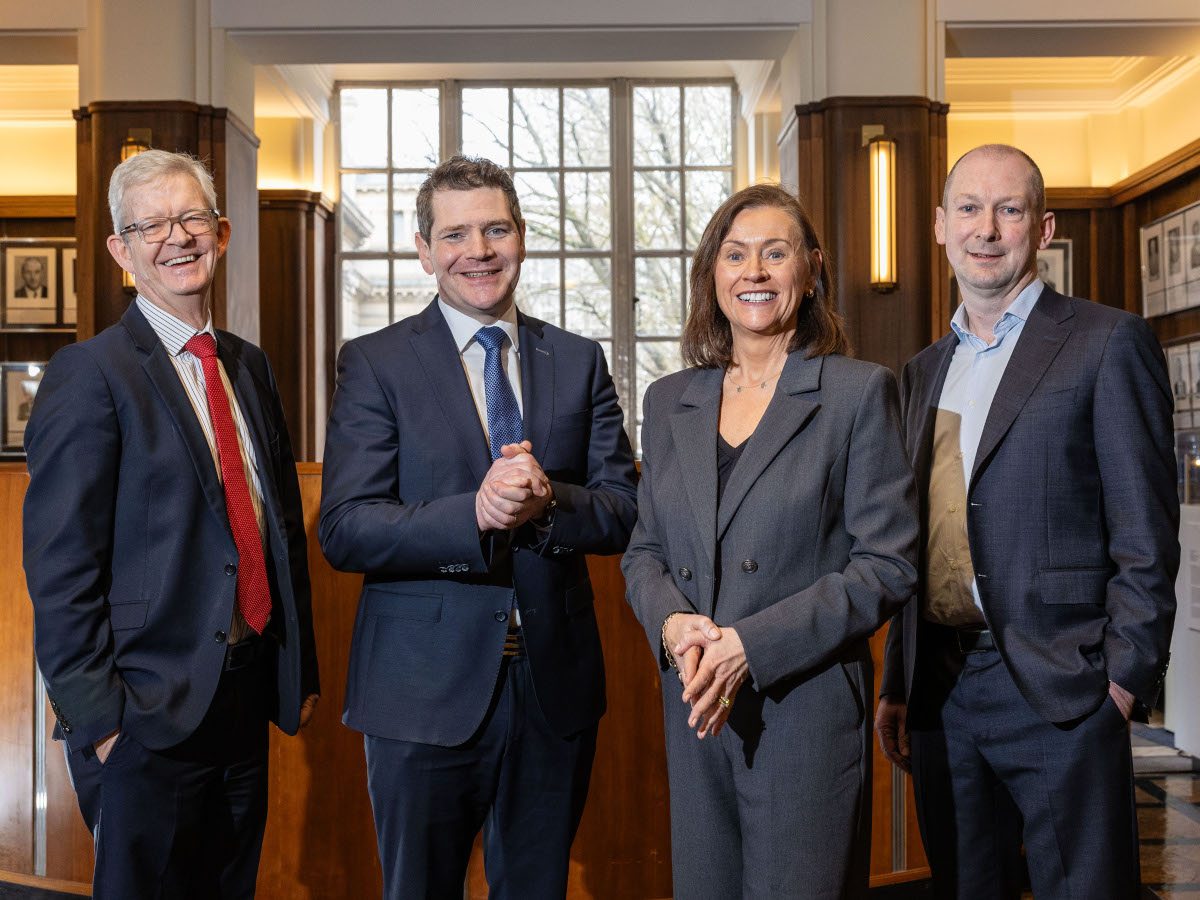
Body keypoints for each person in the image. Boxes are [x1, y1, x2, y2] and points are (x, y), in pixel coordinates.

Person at [318, 155, 638, 898]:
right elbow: (346, 527)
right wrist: (475, 514)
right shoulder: (374, 363)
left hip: (552, 690)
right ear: (424, 250)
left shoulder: (578, 360)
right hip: (419, 692)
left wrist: (547, 502)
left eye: (496, 229)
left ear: (521, 237)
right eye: (455, 235)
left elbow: (624, 508)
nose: (479, 251)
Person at [874, 144, 1178, 899]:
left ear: (1041, 230)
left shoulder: (1106, 342)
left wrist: (1123, 680)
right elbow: (919, 537)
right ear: (940, 226)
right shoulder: (922, 371)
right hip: (943, 693)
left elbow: (1146, 533)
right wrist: (898, 682)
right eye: (969, 209)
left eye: (1008, 210)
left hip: (1063, 689)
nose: (986, 229)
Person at [22, 149, 320, 899]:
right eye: (150, 225)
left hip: (244, 696)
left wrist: (299, 671)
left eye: (191, 218)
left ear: (221, 232)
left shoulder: (248, 366)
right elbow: (60, 568)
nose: (177, 237)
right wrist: (102, 725)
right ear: (121, 252)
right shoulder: (90, 373)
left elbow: (279, 527)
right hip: (143, 715)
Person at [622, 183, 918, 899]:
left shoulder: (856, 393)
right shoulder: (670, 399)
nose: (753, 271)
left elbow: (886, 564)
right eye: (735, 254)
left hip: (805, 715)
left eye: (775, 253)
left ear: (810, 270)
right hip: (697, 710)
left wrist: (751, 645)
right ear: (712, 275)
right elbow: (644, 551)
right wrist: (671, 623)